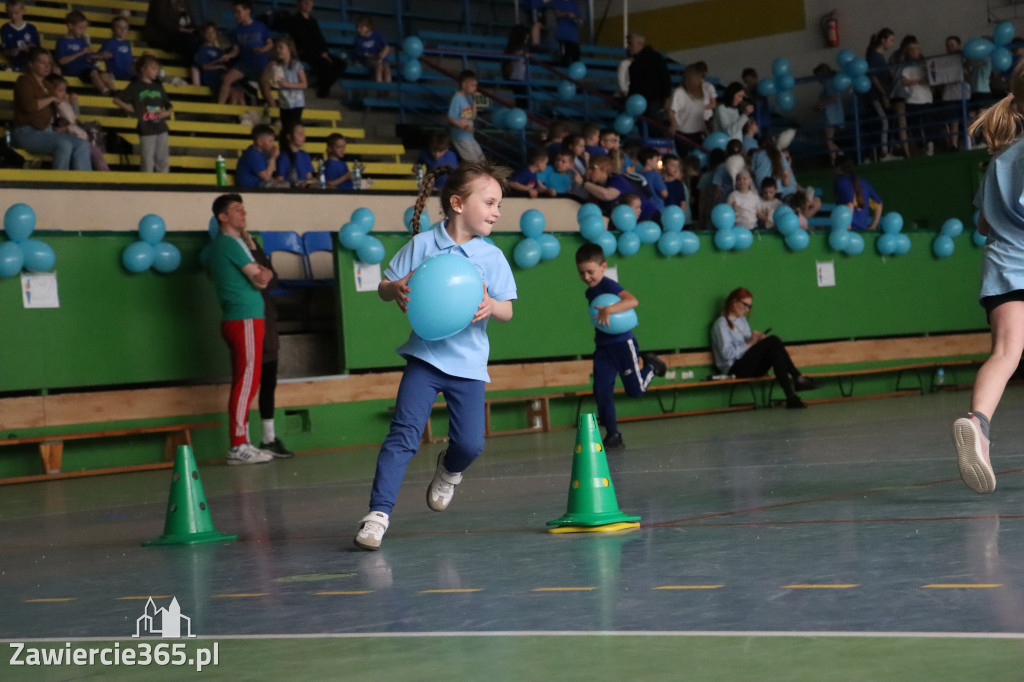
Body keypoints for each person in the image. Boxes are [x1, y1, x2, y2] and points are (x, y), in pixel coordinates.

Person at [352, 160, 518, 551]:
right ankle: (377, 515)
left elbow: (508, 310)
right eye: (490, 203)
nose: (496, 212)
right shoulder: (423, 245)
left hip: (469, 366)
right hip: (424, 359)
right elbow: (385, 286)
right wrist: (395, 290)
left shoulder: (492, 257)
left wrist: (491, 304)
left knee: (471, 445)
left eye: (499, 206)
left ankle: (449, 469)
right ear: (458, 203)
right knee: (403, 435)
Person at [953, 69, 1024, 494]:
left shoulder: (1001, 158)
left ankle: (977, 423)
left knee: (1005, 352)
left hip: (1002, 267)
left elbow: (982, 223)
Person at [575, 242, 666, 450]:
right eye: (582, 273)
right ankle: (613, 433)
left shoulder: (608, 285)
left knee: (635, 391)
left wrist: (609, 310)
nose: (587, 277)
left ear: (603, 267)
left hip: (623, 344)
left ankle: (652, 366)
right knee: (601, 389)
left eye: (590, 272)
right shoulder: (589, 292)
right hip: (604, 347)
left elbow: (632, 301)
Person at [207, 193, 276, 465]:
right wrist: (262, 273)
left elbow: (263, 278)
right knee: (246, 381)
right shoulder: (228, 244)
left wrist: (263, 274)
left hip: (248, 318)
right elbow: (261, 276)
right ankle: (238, 444)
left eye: (243, 208)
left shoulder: (236, 243)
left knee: (249, 380)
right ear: (222, 217)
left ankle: (242, 441)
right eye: (236, 209)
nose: (243, 213)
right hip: (243, 318)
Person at [710, 288, 818, 409]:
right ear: (734, 302)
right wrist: (750, 343)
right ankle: (797, 378)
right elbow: (726, 353)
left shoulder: (742, 321)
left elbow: (748, 348)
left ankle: (791, 396)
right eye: (745, 305)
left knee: (774, 349)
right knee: (774, 341)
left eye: (749, 307)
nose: (746, 309)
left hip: (748, 366)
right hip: (733, 370)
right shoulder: (721, 323)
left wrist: (757, 341)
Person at [240, 230, 294, 459]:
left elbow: (271, 280)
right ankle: (243, 442)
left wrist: (252, 244)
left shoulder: (256, 258)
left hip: (267, 329)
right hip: (248, 327)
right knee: (246, 388)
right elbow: (261, 280)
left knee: (268, 383)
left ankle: (268, 438)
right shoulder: (235, 257)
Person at [11, 48, 91, 171]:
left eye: (48, 63)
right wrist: (51, 99)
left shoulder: (49, 85)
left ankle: (85, 185)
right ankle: (59, 184)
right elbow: (29, 106)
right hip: (26, 132)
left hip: (48, 131)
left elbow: (58, 108)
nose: (47, 66)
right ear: (31, 64)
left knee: (82, 145)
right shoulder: (24, 81)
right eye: (42, 62)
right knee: (63, 145)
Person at [113, 55, 172, 174]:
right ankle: (147, 185)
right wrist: (129, 108)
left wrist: (166, 113)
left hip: (161, 126)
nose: (156, 71)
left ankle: (164, 184)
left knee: (162, 159)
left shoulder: (158, 87)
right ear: (143, 69)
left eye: (157, 69)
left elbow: (169, 105)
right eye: (153, 68)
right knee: (147, 160)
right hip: (146, 127)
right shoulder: (135, 86)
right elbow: (117, 99)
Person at [45, 74, 108, 170]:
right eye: (60, 91)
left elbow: (75, 118)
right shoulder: (51, 106)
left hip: (78, 137)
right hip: (66, 137)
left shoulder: (65, 104)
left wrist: (74, 102)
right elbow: (54, 125)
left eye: (65, 90)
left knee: (96, 154)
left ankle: (105, 176)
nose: (64, 94)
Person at [284, 0, 346, 98]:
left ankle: (322, 85)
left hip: (318, 52)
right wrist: (320, 53)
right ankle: (323, 91)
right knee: (325, 64)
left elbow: (320, 39)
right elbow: (302, 40)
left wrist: (325, 52)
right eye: (306, 2)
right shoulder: (294, 20)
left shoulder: (313, 21)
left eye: (310, 2)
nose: (308, 4)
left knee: (341, 64)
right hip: (304, 52)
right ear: (300, 4)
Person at [218, 0, 274, 106]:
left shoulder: (260, 26)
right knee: (227, 79)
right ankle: (220, 107)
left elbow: (270, 44)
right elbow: (236, 50)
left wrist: (261, 50)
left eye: (238, 12)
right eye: (235, 12)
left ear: (247, 11)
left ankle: (276, 114)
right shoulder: (237, 31)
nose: (236, 15)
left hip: (261, 64)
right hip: (245, 64)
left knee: (265, 91)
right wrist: (229, 55)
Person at [55, 11, 115, 95]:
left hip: (87, 69)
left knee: (105, 74)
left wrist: (99, 56)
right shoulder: (62, 41)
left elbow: (88, 58)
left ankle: (115, 93)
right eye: (80, 28)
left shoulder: (82, 41)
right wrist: (79, 53)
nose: (83, 31)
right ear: (70, 26)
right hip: (74, 70)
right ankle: (105, 91)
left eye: (84, 28)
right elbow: (61, 61)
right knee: (93, 72)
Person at [864, 28, 896, 159]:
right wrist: (883, 93)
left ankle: (888, 148)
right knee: (884, 122)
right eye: (891, 40)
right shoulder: (873, 55)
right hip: (875, 96)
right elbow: (874, 76)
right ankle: (883, 152)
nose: (892, 44)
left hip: (883, 94)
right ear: (883, 40)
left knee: (888, 121)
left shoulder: (880, 56)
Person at [193, 23, 244, 103]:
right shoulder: (202, 49)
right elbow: (204, 66)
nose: (210, 35)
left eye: (213, 32)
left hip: (221, 77)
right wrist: (219, 66)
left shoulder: (219, 50)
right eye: (208, 33)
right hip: (212, 78)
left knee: (240, 94)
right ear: (203, 34)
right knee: (233, 93)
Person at [264, 36, 306, 131]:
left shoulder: (296, 65)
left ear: (289, 48)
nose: (278, 50)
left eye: (281, 47)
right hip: (284, 103)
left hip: (296, 103)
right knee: (285, 128)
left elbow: (304, 84)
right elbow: (270, 82)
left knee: (293, 127)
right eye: (276, 48)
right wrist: (269, 69)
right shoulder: (277, 66)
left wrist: (287, 85)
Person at [834, 155, 882, 230]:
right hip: (863, 230)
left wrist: (848, 227)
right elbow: (879, 204)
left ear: (839, 167)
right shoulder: (864, 182)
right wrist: (873, 226)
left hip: (849, 229)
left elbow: (850, 204)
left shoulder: (840, 181)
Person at [143, 0, 199, 65]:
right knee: (189, 41)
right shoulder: (160, 2)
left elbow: (190, 21)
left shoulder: (185, 2)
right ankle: (188, 70)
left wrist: (194, 30)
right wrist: (179, 29)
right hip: (160, 37)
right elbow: (161, 21)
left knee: (201, 39)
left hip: (178, 36)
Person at [448, 70, 483, 163]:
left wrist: (474, 102)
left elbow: (473, 117)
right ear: (464, 85)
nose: (474, 88)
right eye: (472, 85)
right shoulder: (457, 99)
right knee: (473, 163)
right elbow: (451, 118)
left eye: (475, 85)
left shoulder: (468, 98)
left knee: (482, 161)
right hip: (460, 137)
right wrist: (463, 126)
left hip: (469, 136)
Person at [668, 65, 709, 145]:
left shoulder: (702, 92)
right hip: (683, 132)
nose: (702, 81)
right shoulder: (679, 92)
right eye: (700, 78)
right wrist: (673, 124)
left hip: (698, 132)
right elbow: (671, 111)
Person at [813, 63, 843, 164]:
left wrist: (820, 104)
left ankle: (834, 161)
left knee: (828, 140)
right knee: (829, 140)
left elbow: (832, 98)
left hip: (830, 117)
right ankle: (842, 156)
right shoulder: (830, 83)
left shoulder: (828, 83)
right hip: (830, 116)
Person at [236, 123, 282, 188]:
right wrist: (273, 158)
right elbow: (266, 178)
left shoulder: (261, 154)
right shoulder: (252, 155)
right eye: (270, 141)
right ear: (260, 142)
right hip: (249, 188)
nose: (273, 144)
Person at [2, 0, 40, 72]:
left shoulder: (31, 28)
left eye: (16, 13)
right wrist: (12, 52)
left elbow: (38, 49)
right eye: (10, 13)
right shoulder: (5, 28)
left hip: (30, 64)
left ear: (23, 11)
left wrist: (31, 47)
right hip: (13, 63)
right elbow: (4, 50)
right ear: (6, 11)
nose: (13, 16)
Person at [274, 122, 315, 186]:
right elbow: (280, 179)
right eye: (299, 134)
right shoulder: (283, 157)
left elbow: (309, 176)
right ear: (289, 136)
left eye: (303, 133)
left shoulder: (305, 155)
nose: (303, 136)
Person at [353, 15, 391, 83]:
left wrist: (382, 55)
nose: (358, 29)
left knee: (387, 70)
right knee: (378, 66)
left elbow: (386, 47)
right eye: (357, 27)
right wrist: (377, 57)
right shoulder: (358, 40)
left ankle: (388, 91)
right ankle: (380, 89)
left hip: (382, 59)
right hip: (368, 60)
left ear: (368, 27)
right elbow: (366, 55)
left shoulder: (378, 35)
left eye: (361, 27)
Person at [502, 24, 530, 111]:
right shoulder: (513, 49)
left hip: (521, 79)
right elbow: (512, 59)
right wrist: (522, 55)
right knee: (521, 103)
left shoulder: (522, 49)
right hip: (515, 79)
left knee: (524, 103)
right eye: (525, 39)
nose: (526, 41)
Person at [98, 16, 133, 82]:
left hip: (128, 73)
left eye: (125, 28)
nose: (123, 30)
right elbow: (100, 55)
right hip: (115, 74)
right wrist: (104, 55)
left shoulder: (127, 43)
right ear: (113, 29)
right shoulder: (109, 43)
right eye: (119, 27)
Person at [617, 32, 645, 99]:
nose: (628, 47)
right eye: (628, 44)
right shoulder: (624, 64)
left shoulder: (648, 63)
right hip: (629, 95)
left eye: (630, 44)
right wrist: (625, 91)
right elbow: (621, 81)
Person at [553, 0, 580, 66]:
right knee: (565, 57)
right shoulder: (558, 2)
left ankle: (574, 75)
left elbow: (579, 18)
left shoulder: (574, 4)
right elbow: (557, 14)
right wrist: (567, 14)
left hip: (573, 37)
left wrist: (578, 20)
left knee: (576, 57)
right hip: (563, 35)